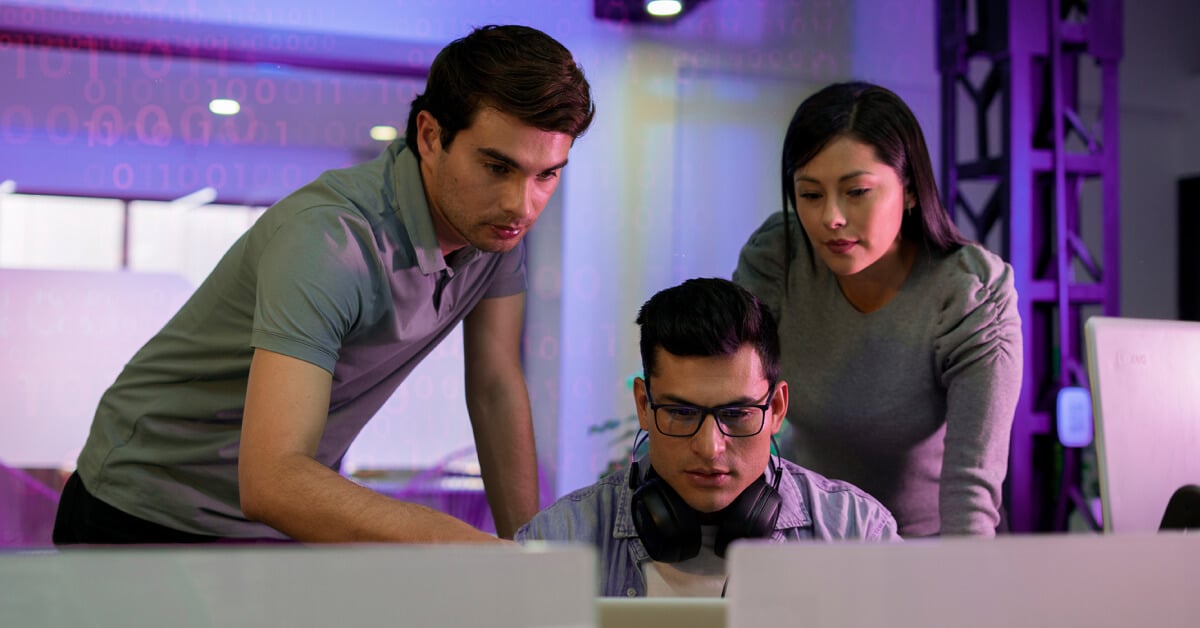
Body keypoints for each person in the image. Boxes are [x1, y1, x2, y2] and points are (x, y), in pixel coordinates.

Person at [52, 25, 594, 545]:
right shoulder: (331, 239)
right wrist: (460, 543)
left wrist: (530, 557)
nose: (522, 206)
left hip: (272, 520)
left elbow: (496, 385)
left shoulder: (495, 232)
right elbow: (272, 480)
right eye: (497, 167)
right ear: (430, 137)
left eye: (546, 174)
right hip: (142, 503)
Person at [733, 81, 1022, 538]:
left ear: (908, 189)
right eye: (810, 195)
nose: (831, 217)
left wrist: (963, 592)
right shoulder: (778, 257)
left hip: (921, 547)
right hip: (802, 537)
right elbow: (734, 407)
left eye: (857, 191)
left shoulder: (971, 293)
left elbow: (971, 493)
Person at [516, 278, 897, 597]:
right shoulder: (559, 541)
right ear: (644, 406)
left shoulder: (857, 534)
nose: (709, 447)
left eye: (736, 414)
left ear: (777, 408)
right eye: (682, 413)